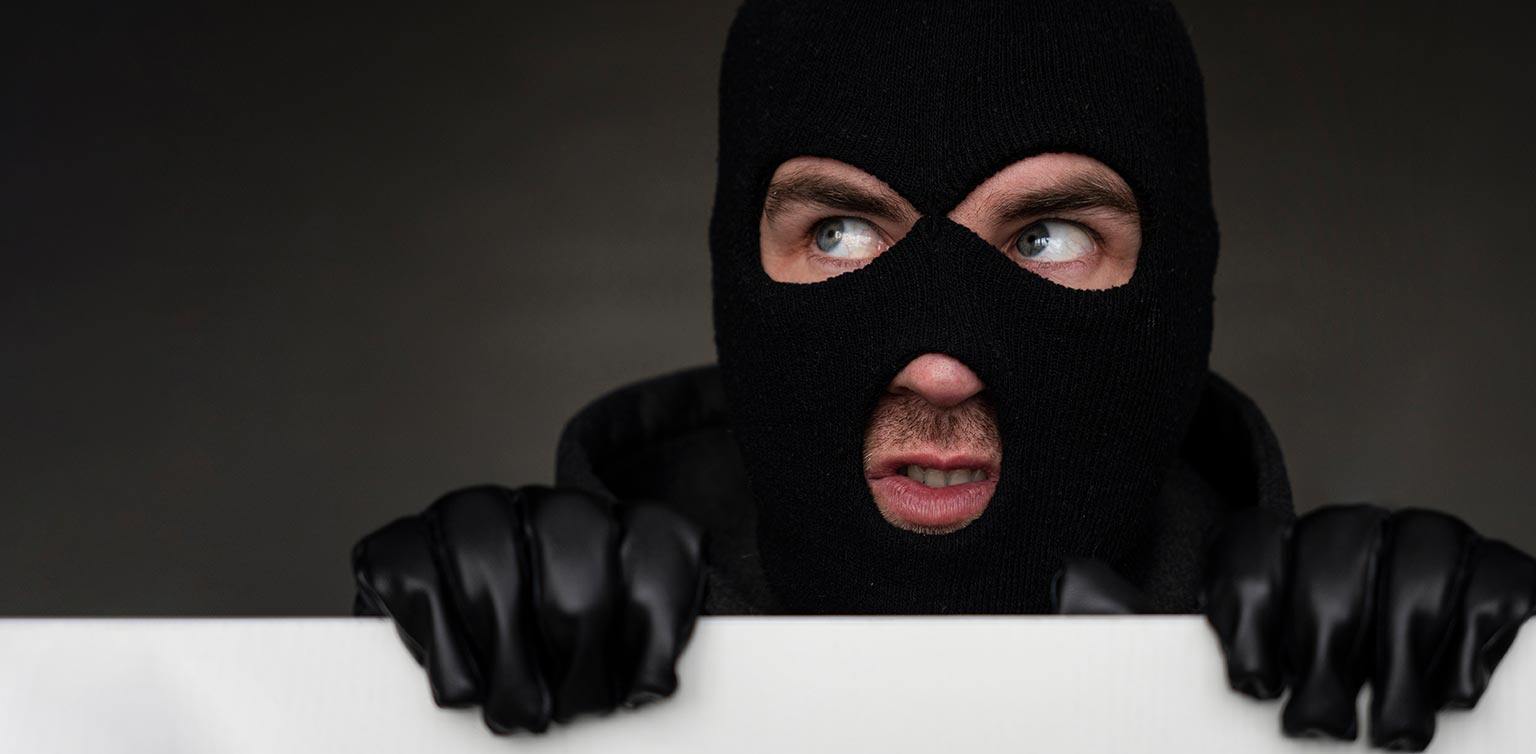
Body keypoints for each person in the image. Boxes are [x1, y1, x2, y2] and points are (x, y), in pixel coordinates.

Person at [348, 0, 1536, 749]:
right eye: (841, 234)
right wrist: (384, 710)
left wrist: (1505, 706)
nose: (940, 362)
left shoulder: (1368, 676)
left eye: (1048, 237)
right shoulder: (518, 652)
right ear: (729, 272)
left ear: (1182, 289)